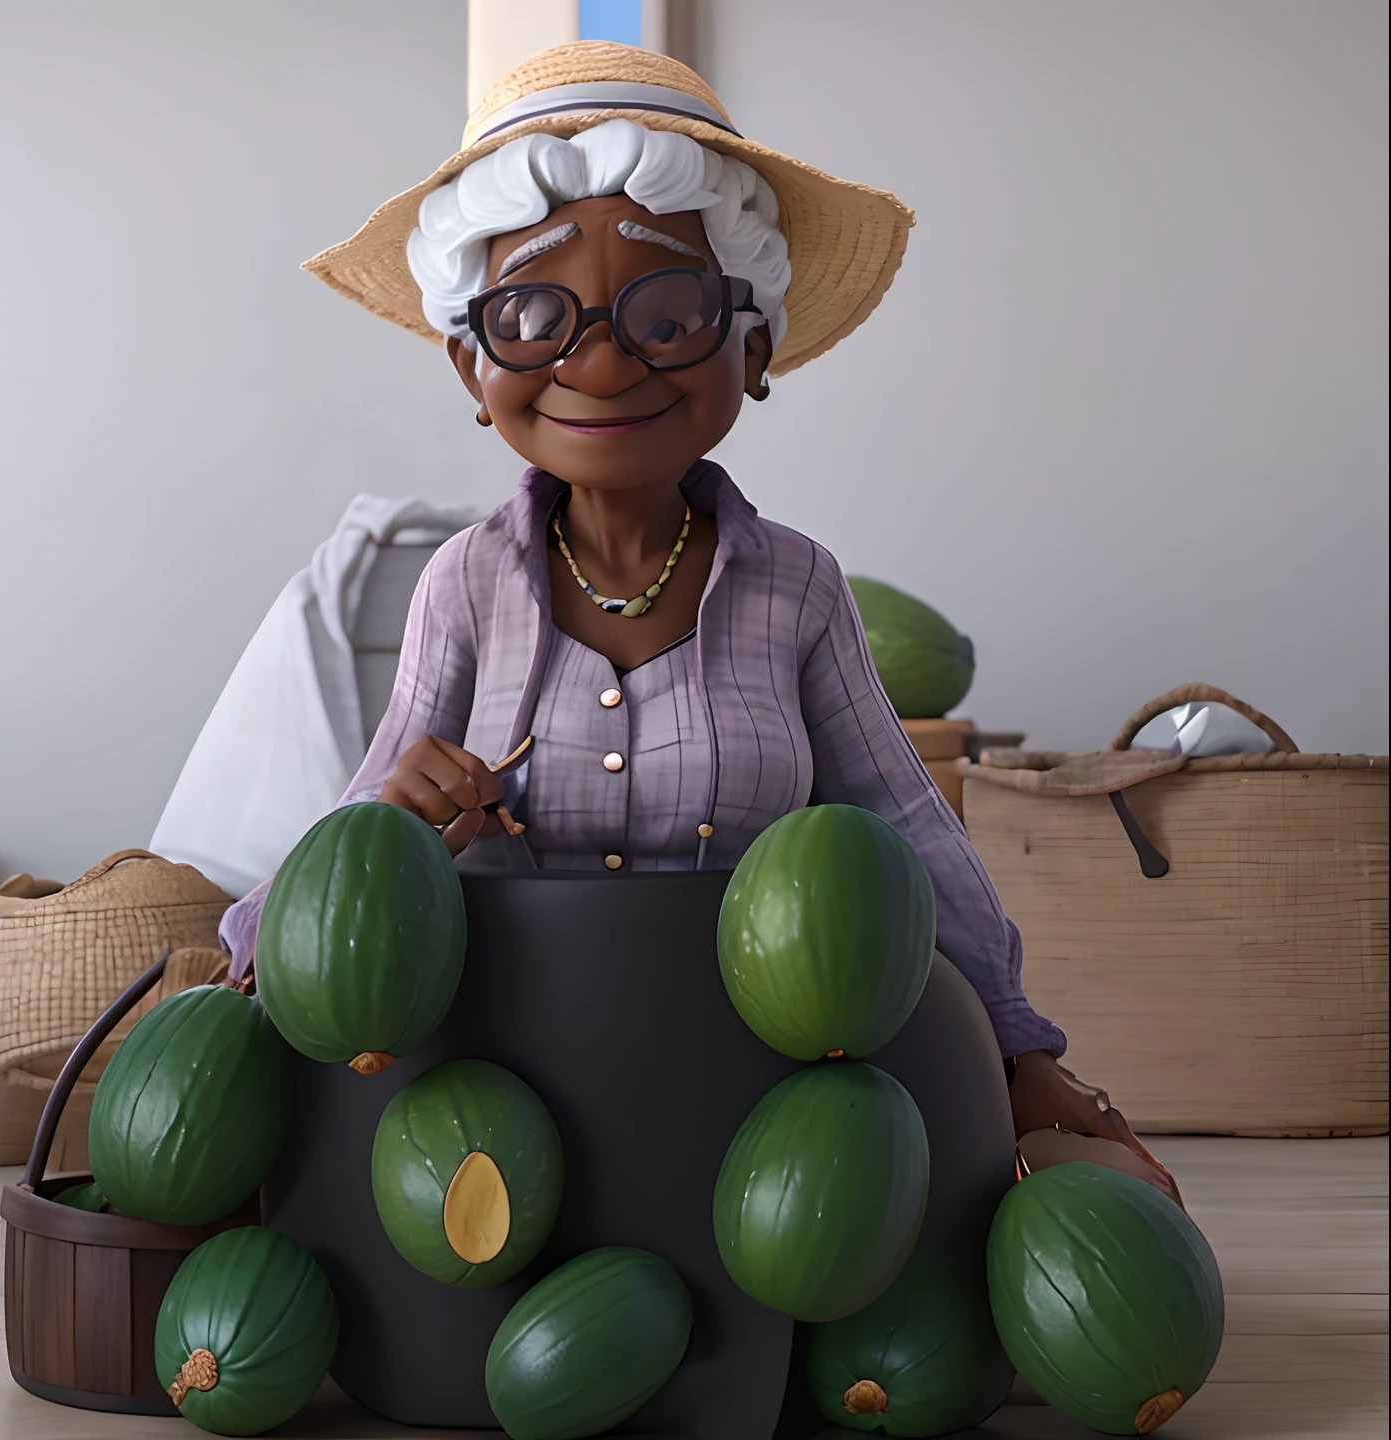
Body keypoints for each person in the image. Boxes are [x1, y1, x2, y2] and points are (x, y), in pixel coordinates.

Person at [220, 41, 1177, 1203]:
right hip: (494, 1105)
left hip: (766, 1090)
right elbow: (363, 817)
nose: (603, 357)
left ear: (753, 346)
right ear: (474, 367)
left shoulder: (799, 591)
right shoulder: (462, 587)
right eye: (532, 312)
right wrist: (264, 951)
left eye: (667, 309)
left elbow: (906, 824)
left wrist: (1021, 1052)